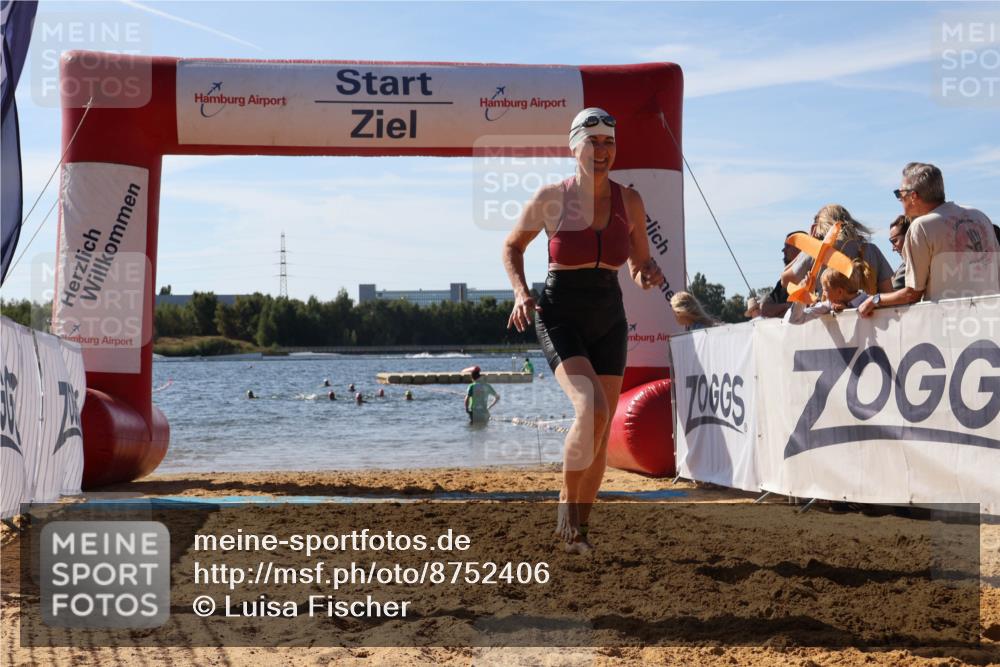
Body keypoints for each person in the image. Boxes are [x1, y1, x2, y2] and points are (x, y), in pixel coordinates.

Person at [502, 107, 665, 554]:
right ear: (574, 147)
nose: (602, 150)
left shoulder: (629, 200)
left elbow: (637, 263)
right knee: (590, 408)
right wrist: (520, 292)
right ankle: (565, 511)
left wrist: (646, 273)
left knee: (601, 426)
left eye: (609, 142)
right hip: (559, 313)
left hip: (608, 316)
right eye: (593, 142)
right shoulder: (551, 197)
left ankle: (578, 532)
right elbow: (513, 245)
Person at [860, 162, 999, 316]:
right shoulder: (979, 216)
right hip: (990, 318)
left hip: (950, 323)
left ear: (913, 196)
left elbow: (912, 294)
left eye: (899, 194)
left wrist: (875, 300)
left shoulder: (921, 226)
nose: (900, 199)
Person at [782, 204, 894, 298]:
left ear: (820, 226)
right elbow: (888, 291)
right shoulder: (871, 250)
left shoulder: (817, 252)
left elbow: (785, 280)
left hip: (830, 320)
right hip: (868, 318)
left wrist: (810, 244)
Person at [785, 264, 868, 324]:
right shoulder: (829, 305)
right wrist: (803, 293)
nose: (823, 294)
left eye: (825, 290)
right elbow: (794, 320)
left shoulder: (872, 302)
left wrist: (847, 311)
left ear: (839, 292)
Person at [760, 232, 805, 318]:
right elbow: (764, 309)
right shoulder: (781, 283)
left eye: (787, 246)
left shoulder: (814, 275)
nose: (783, 250)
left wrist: (782, 312)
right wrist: (787, 306)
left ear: (800, 248)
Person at [888, 215, 910, 290]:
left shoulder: (909, 266)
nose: (893, 249)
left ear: (909, 236)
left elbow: (890, 293)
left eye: (895, 241)